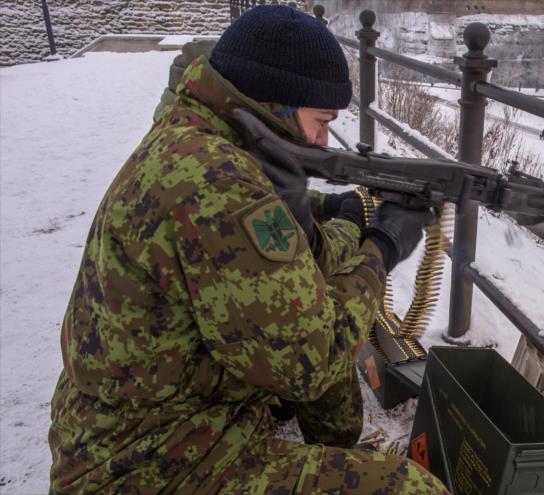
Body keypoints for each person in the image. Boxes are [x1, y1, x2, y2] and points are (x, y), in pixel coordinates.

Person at [48, 5, 448, 494]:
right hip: (147, 465)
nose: (325, 140)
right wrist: (382, 246)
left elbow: (248, 217)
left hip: (131, 426)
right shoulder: (216, 183)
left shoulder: (195, 136)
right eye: (322, 122)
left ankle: (335, 450)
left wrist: (328, 206)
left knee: (317, 280)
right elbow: (312, 361)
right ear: (273, 105)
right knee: (411, 489)